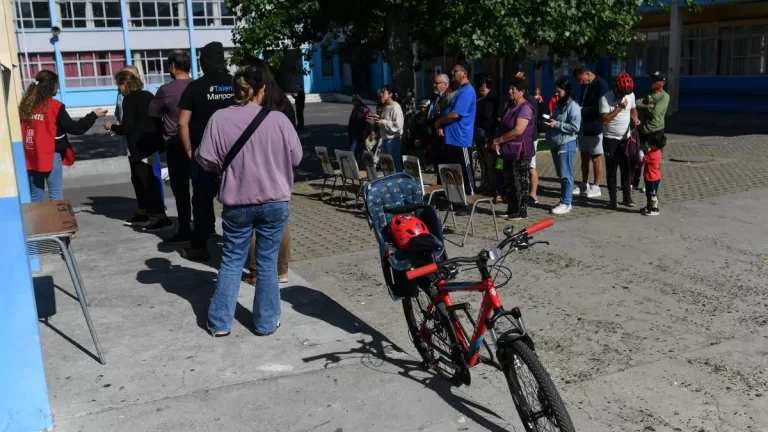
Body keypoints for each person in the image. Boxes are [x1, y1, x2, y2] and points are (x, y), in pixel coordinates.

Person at [197, 65, 302, 337]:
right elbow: (297, 157)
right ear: (261, 90)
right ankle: (266, 323)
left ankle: (220, 323)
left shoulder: (219, 119)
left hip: (237, 203)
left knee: (231, 260)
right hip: (275, 202)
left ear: (236, 90)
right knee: (267, 263)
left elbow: (206, 158)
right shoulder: (279, 120)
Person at [238, 55, 297, 285]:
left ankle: (256, 270)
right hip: (279, 169)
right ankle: (281, 269)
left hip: (250, 170)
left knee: (253, 224)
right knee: (279, 220)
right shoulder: (282, 102)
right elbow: (295, 146)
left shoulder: (245, 105)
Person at [178, 42, 236, 261]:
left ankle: (200, 246)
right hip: (234, 155)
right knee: (237, 200)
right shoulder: (235, 84)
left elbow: (182, 123)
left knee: (202, 201)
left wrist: (189, 151)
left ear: (202, 62)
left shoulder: (195, 87)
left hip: (203, 154)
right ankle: (237, 249)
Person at [19, 70, 106, 202]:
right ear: (51, 86)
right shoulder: (54, 106)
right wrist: (93, 115)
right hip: (50, 155)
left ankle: (36, 222)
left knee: (35, 196)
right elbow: (75, 128)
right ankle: (57, 223)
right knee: (56, 195)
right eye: (56, 84)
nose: (58, 87)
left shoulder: (26, 106)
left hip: (30, 155)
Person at [104, 70, 172, 230]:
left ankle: (160, 218)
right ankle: (145, 214)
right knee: (142, 180)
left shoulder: (129, 100)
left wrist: (111, 126)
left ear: (125, 84)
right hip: (152, 144)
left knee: (146, 182)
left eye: (119, 86)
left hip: (140, 148)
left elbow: (127, 126)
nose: (118, 90)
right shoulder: (148, 96)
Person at [149, 50, 193, 243]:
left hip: (176, 145)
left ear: (173, 67)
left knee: (181, 191)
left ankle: (184, 229)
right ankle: (205, 227)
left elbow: (153, 113)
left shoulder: (166, 90)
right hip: (199, 144)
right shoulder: (198, 86)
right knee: (201, 190)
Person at [489, 76, 535, 220]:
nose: (509, 91)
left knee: (519, 181)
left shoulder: (525, 108)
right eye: (509, 88)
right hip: (508, 150)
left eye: (513, 89)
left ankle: (521, 211)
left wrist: (499, 139)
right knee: (509, 181)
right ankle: (511, 209)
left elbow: (518, 130)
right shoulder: (510, 106)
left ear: (522, 91)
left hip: (519, 151)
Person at [434, 61, 477, 195]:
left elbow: (456, 114)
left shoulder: (467, 91)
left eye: (455, 70)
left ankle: (470, 199)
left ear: (464, 74)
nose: (452, 73)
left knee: (465, 173)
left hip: (461, 139)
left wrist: (440, 121)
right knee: (455, 174)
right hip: (451, 138)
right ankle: (457, 197)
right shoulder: (460, 91)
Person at [599, 72, 640, 209]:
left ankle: (627, 198)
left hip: (626, 139)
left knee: (626, 169)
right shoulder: (605, 99)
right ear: (615, 87)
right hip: (610, 140)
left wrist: (635, 118)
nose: (623, 96)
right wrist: (619, 108)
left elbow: (634, 110)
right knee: (611, 170)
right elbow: (605, 120)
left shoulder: (630, 95)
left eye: (625, 93)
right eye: (621, 93)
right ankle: (613, 200)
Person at [545, 78, 581, 215]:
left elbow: (575, 127)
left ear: (566, 91)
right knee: (561, 174)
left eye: (558, 91)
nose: (556, 94)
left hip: (566, 143)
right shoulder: (558, 104)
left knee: (566, 174)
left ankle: (566, 202)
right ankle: (565, 200)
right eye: (555, 91)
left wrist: (558, 125)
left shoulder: (573, 106)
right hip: (556, 143)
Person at [572, 67, 610, 198]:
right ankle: (584, 183)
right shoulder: (585, 84)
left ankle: (596, 186)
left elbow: (602, 108)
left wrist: (582, 110)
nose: (580, 83)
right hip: (584, 125)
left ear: (587, 74)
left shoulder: (602, 85)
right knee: (584, 155)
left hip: (595, 125)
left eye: (580, 80)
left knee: (596, 156)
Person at [635, 71, 670, 192]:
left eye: (656, 80)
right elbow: (636, 102)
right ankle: (634, 181)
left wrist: (647, 105)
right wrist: (649, 105)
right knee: (639, 156)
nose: (653, 82)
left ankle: (649, 183)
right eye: (652, 80)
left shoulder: (665, 96)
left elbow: (655, 113)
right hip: (643, 129)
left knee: (653, 158)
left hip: (656, 130)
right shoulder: (648, 94)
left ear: (662, 83)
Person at [474, 74, 499, 198]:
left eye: (486, 85)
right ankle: (484, 184)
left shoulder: (491, 99)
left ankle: (492, 187)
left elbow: (489, 118)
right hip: (479, 134)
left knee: (491, 163)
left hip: (488, 134)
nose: (483, 87)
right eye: (481, 85)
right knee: (482, 162)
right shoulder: (479, 98)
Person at [426, 73, 453, 174]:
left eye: (436, 83)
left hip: (442, 135)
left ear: (445, 84)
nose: (434, 85)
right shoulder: (437, 97)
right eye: (434, 83)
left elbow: (448, 114)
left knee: (444, 164)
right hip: (434, 134)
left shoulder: (449, 96)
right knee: (437, 163)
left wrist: (441, 125)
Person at [375, 85, 405, 172]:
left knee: (395, 164)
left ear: (390, 94)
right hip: (385, 139)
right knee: (387, 165)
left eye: (383, 93)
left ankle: (399, 181)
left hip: (393, 140)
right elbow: (384, 121)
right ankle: (390, 182)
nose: (381, 95)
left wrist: (383, 122)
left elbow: (398, 125)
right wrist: (378, 119)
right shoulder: (384, 106)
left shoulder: (395, 107)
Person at [641, 134, 665, 216]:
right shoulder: (658, 151)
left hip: (652, 178)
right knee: (649, 193)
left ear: (654, 145)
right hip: (652, 177)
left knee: (652, 194)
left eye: (650, 144)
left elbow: (643, 158)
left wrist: (640, 151)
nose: (649, 145)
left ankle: (655, 208)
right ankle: (648, 206)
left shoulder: (652, 155)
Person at [348, 94, 372, 159]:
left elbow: (370, 122)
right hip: (353, 136)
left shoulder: (365, 109)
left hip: (360, 137)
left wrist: (367, 133)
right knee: (353, 153)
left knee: (358, 153)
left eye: (354, 100)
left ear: (359, 100)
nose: (352, 102)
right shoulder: (355, 109)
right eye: (352, 100)